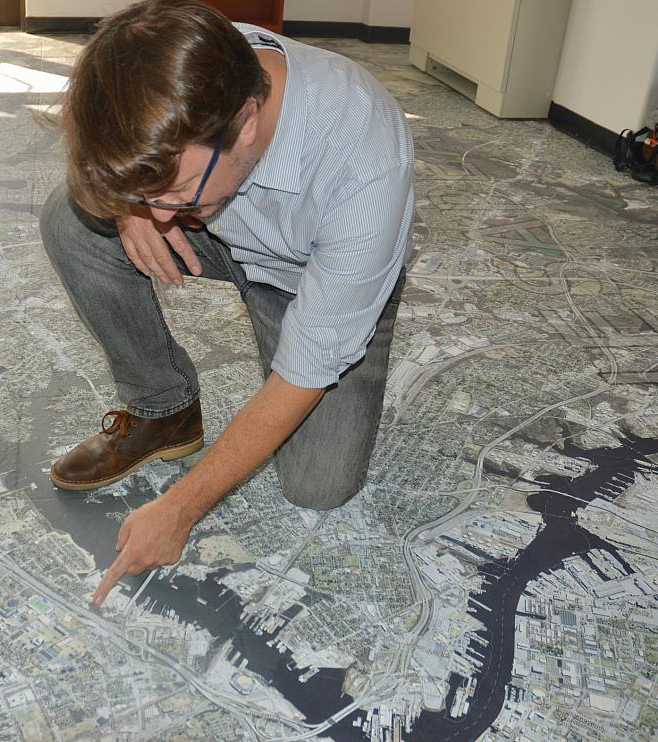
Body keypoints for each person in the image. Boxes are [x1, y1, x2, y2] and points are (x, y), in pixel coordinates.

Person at [39, 0, 414, 606]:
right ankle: (164, 409)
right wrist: (131, 208)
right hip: (221, 236)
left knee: (319, 487)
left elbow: (306, 368)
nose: (162, 211)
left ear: (244, 122)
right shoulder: (184, 64)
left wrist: (181, 508)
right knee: (72, 220)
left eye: (175, 190)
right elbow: (107, 149)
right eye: (152, 195)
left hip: (306, 276)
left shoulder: (365, 160)